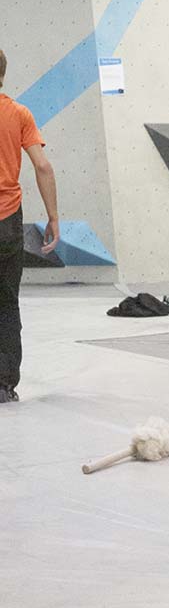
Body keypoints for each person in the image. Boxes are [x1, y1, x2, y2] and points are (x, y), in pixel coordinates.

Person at [0, 49, 60, 403]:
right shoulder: (19, 113)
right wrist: (52, 217)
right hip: (8, 219)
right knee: (7, 300)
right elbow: (43, 167)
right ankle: (4, 383)